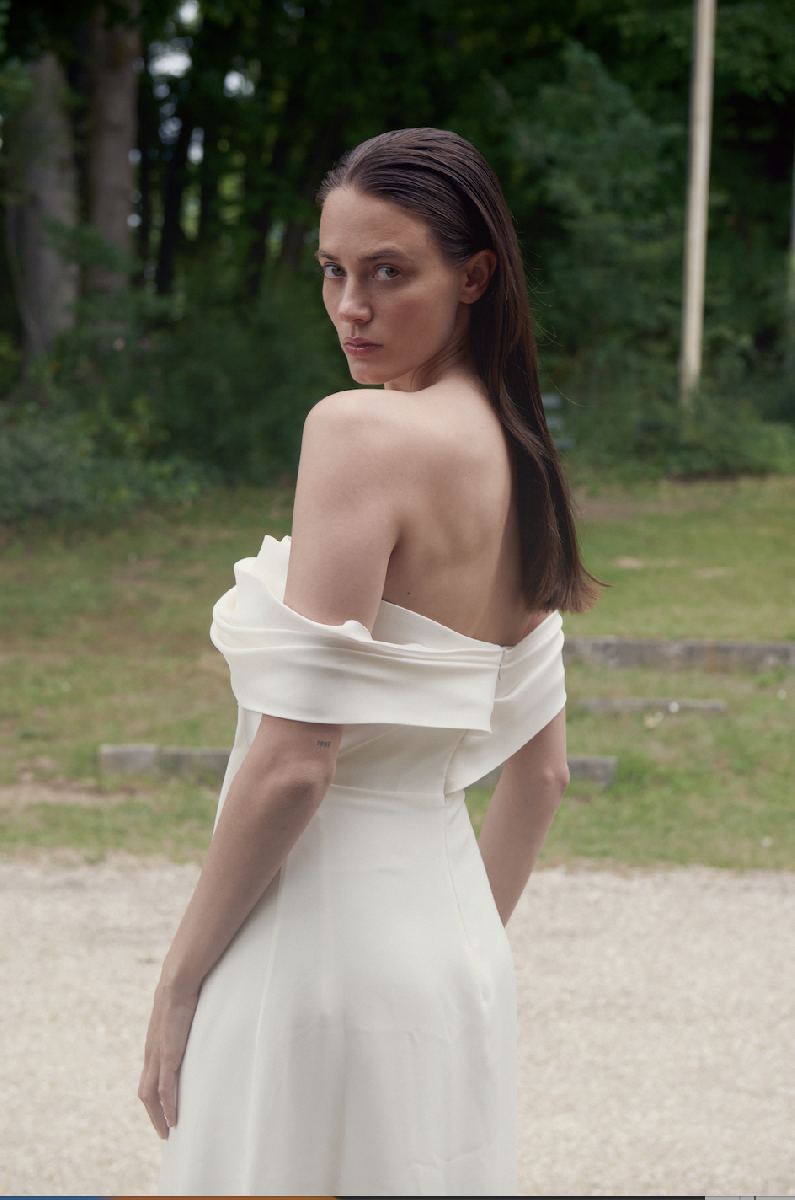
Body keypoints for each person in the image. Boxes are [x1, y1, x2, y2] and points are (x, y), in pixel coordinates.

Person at [140, 127, 598, 1196]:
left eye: (389, 273)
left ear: (473, 275)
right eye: (332, 271)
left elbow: (298, 763)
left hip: (313, 952)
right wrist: (457, 953)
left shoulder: (357, 434)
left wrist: (178, 982)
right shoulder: (524, 460)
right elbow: (542, 776)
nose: (351, 306)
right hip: (455, 961)